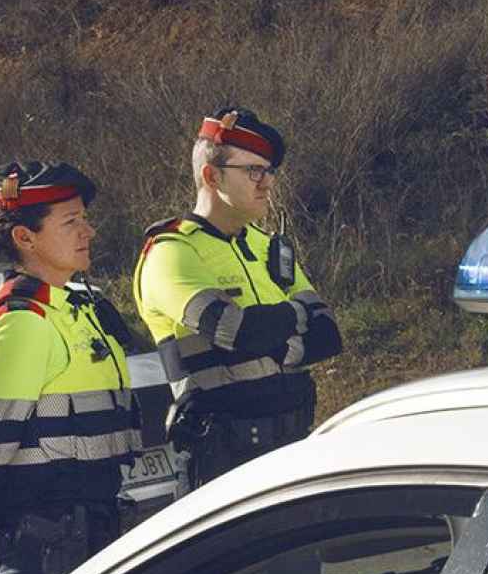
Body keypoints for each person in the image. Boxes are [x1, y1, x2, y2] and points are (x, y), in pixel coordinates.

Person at [0, 161, 141, 574]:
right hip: (48, 542)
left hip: (90, 527)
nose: (87, 231)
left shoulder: (71, 305)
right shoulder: (22, 319)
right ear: (24, 238)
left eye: (84, 218)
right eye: (70, 222)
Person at [132, 106, 342, 489]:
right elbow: (236, 331)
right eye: (253, 171)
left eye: (269, 172)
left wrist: (277, 342)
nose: (267, 183)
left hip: (290, 448)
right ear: (212, 176)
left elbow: (328, 335)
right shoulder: (172, 251)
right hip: (221, 460)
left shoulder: (268, 247)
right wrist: (296, 317)